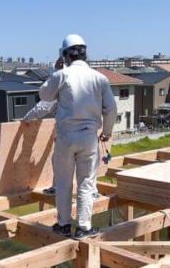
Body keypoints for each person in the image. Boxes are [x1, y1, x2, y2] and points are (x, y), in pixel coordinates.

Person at [37, 34, 116, 239]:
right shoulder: (99, 78)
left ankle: (63, 224)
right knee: (86, 182)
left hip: (65, 137)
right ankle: (83, 227)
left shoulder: (61, 75)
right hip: (88, 138)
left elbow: (44, 95)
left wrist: (56, 71)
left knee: (63, 183)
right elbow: (111, 109)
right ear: (85, 53)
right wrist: (106, 132)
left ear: (65, 55)